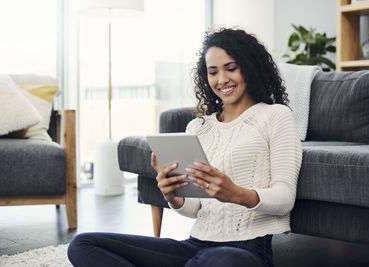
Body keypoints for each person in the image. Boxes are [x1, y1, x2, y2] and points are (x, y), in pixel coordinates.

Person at [67, 28, 303, 267]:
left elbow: (285, 198)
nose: (222, 80)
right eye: (213, 72)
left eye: (231, 68)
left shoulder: (276, 116)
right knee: (83, 244)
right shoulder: (197, 128)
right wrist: (172, 195)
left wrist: (235, 193)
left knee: (217, 260)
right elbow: (194, 208)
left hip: (246, 252)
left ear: (250, 67)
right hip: (195, 245)